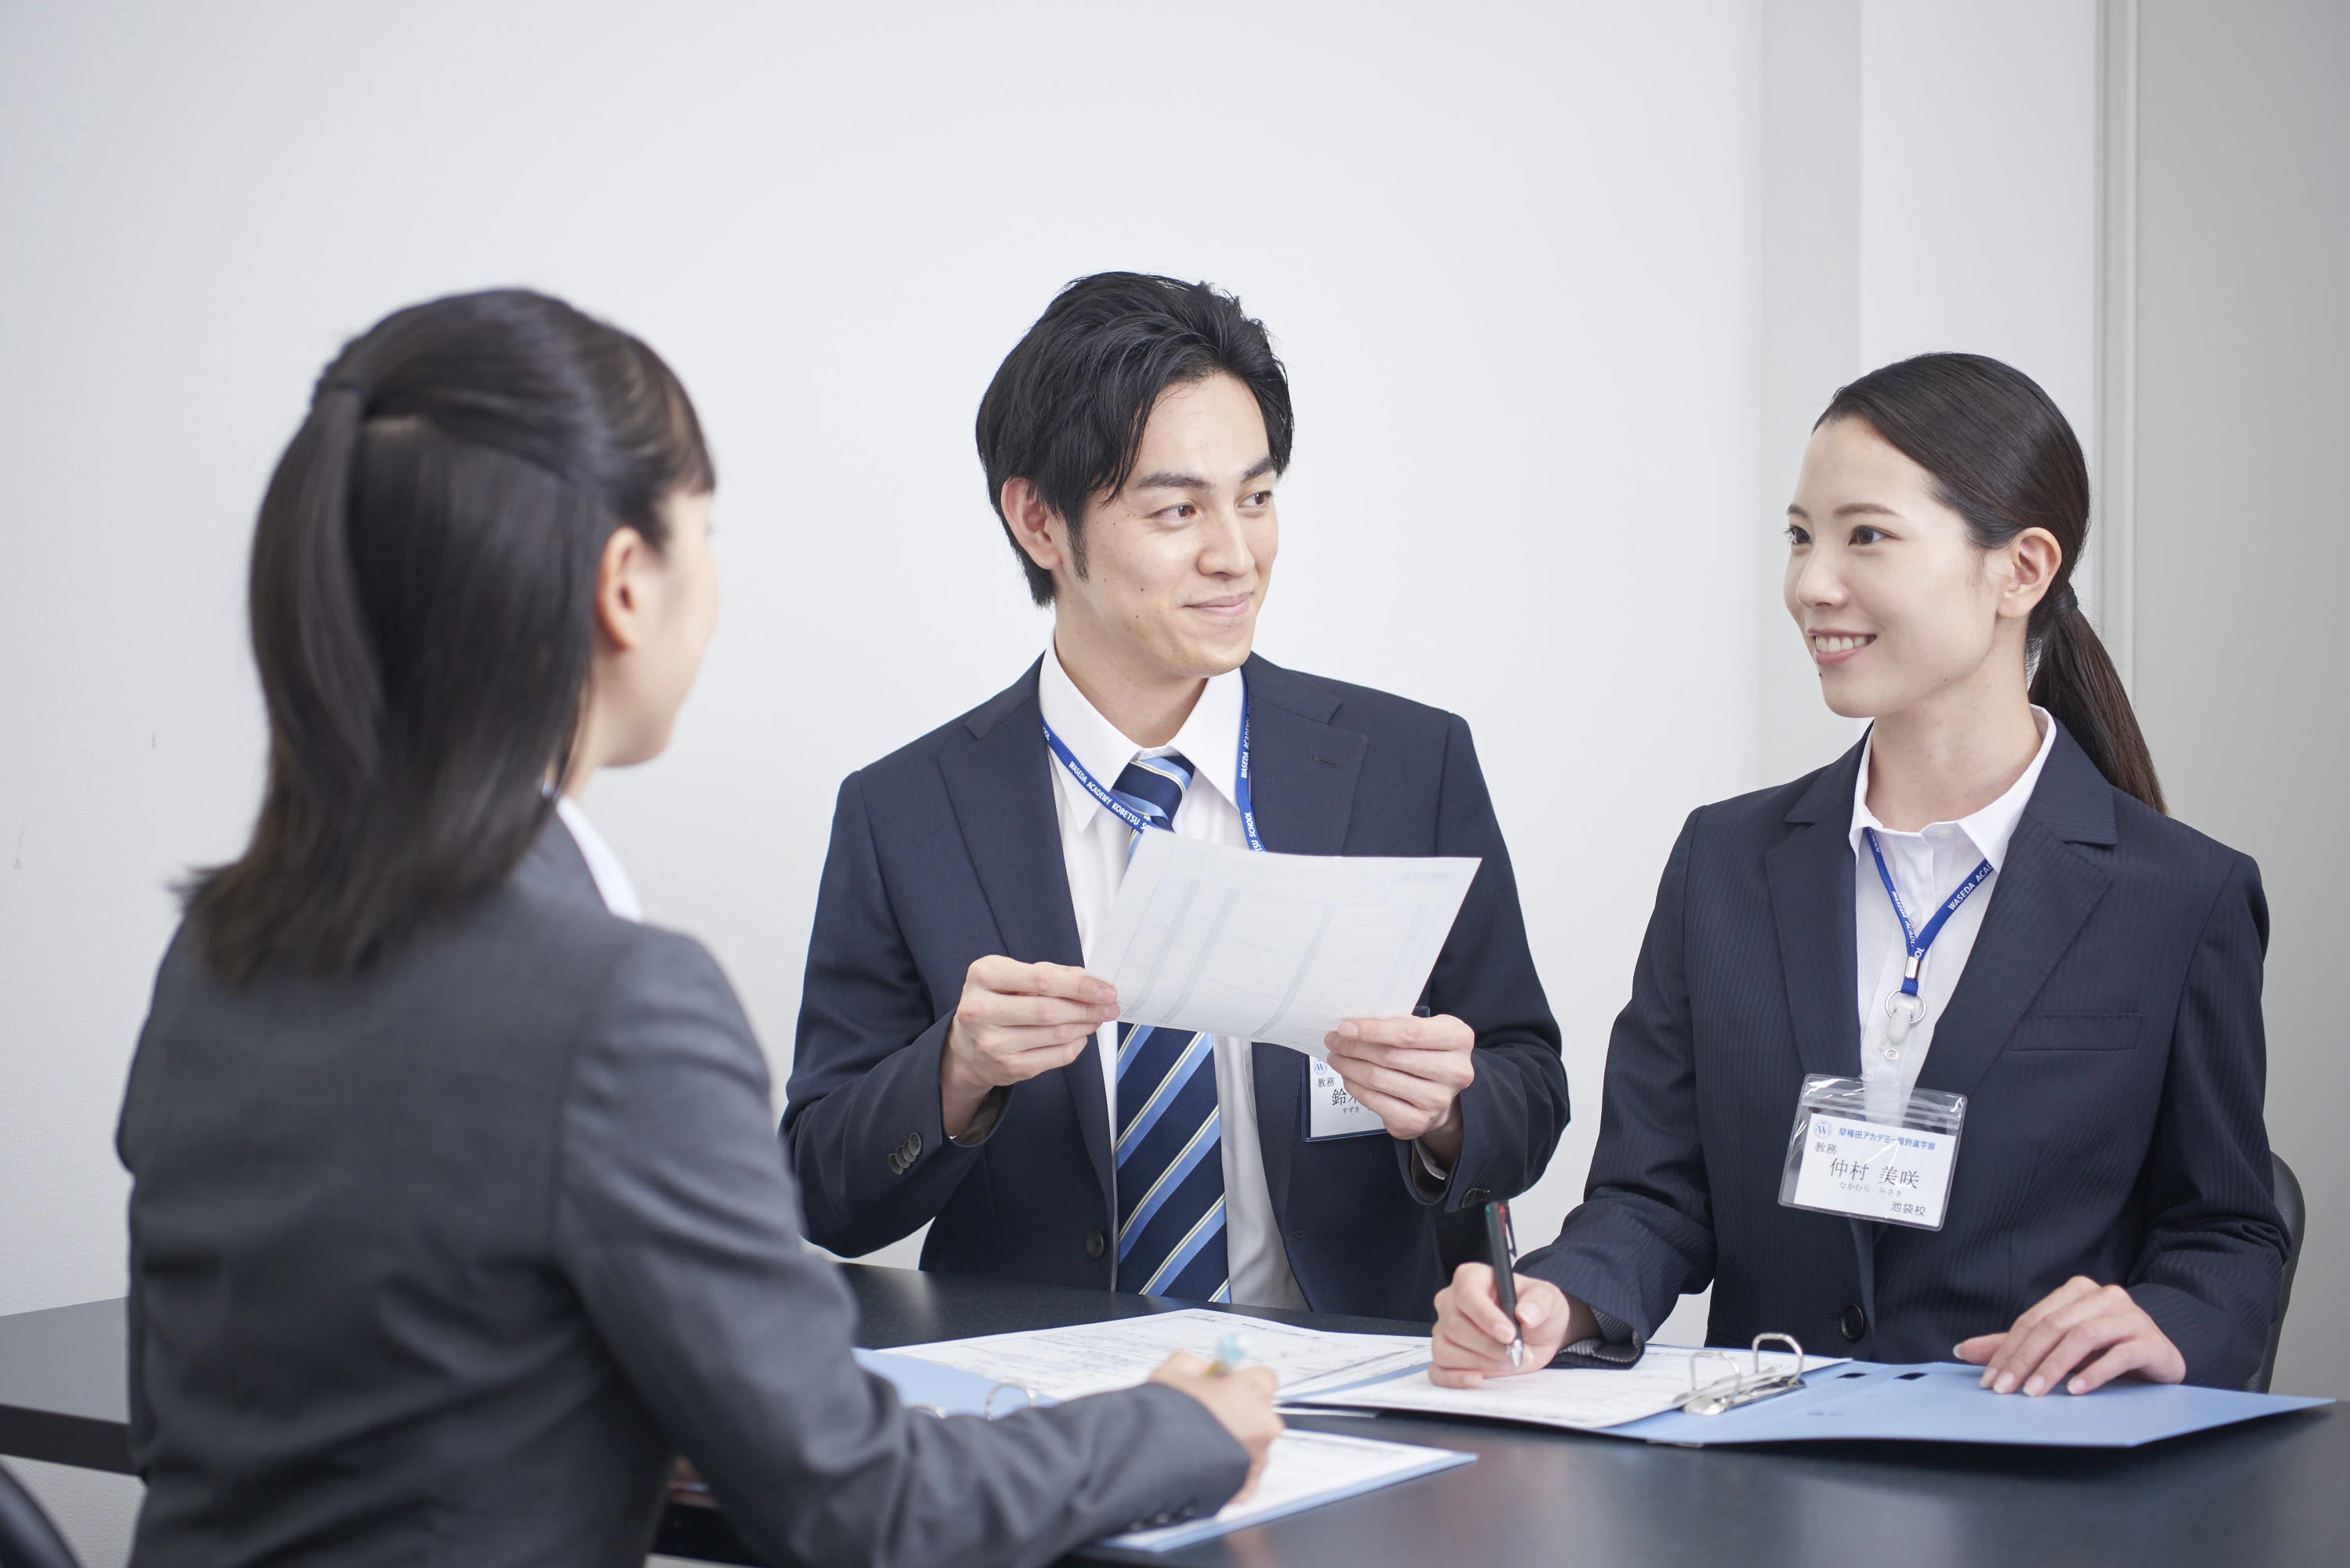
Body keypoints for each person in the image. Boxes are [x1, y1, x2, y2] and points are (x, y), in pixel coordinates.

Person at [115, 288, 1280, 1568]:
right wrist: (1178, 1428)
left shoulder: (217, 954)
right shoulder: (617, 1003)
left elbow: (307, 1398)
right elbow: (864, 1503)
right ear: (626, 585)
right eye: (703, 533)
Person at [1432, 352, 2285, 1396]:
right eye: (1801, 536)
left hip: (2031, 1460)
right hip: (1765, 1460)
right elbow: (1653, 1198)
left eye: (1865, 536)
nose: (1811, 584)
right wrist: (1557, 1299)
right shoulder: (1723, 863)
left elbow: (2229, 1231)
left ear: (2021, 569)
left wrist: (2167, 1318)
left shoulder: (2179, 895)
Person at [783, 273, 1567, 1320]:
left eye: (1257, 498)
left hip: (1344, 1378)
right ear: (1039, 520)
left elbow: (1531, 1086)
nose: (1235, 556)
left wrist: (1448, 1114)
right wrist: (956, 1070)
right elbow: (822, 1190)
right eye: (1176, 509)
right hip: (1045, 1395)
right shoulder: (906, 812)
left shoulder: (1407, 765)